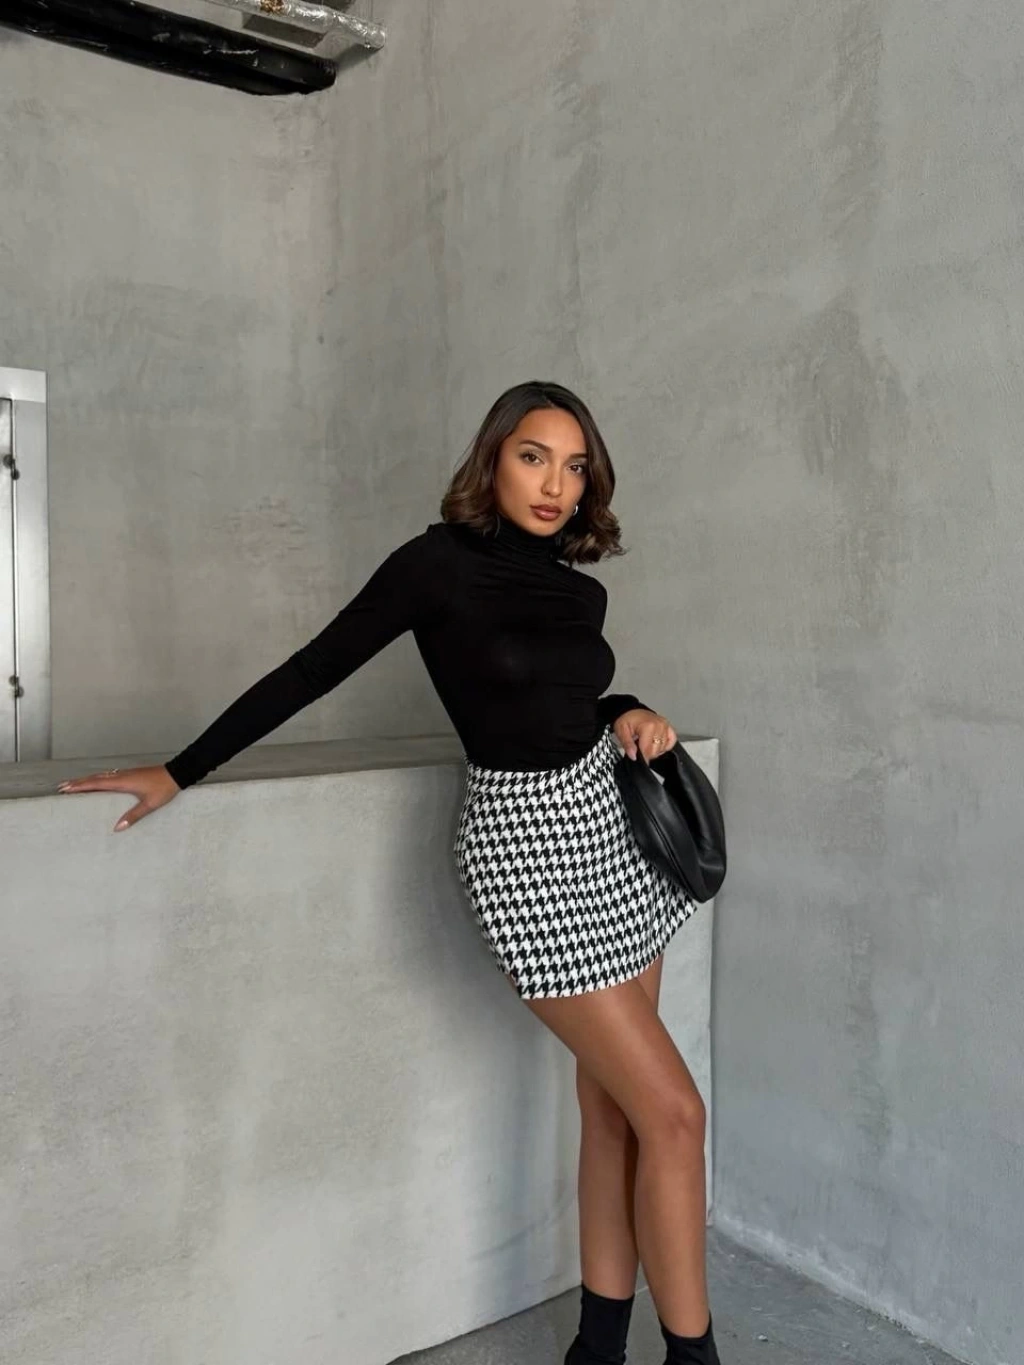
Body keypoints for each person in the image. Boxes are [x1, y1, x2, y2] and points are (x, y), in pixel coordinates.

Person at [57, 380, 721, 1365]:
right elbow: (313, 668)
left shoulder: (582, 590)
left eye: (574, 466)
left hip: (609, 835)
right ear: (492, 459)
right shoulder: (435, 565)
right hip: (524, 850)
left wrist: (624, 707)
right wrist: (180, 769)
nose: (555, 484)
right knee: (674, 1111)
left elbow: (560, 701)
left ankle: (596, 1349)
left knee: (616, 1111)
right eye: (533, 456)